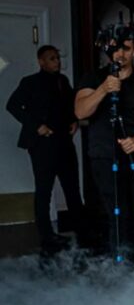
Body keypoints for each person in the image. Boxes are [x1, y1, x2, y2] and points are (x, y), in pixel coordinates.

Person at [75, 27, 134, 259]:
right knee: (115, 213)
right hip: (104, 155)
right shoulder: (93, 78)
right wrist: (104, 88)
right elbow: (81, 111)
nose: (120, 54)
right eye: (115, 48)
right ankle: (119, 265)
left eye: (126, 48)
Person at [5, 45, 83, 253]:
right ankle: (47, 236)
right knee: (44, 189)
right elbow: (12, 105)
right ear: (41, 61)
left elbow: (70, 105)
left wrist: (74, 120)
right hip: (42, 144)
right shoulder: (30, 82)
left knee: (73, 187)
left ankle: (81, 231)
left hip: (63, 141)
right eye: (51, 58)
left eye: (57, 58)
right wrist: (36, 126)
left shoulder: (62, 82)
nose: (56, 61)